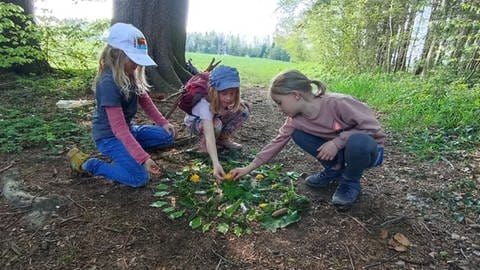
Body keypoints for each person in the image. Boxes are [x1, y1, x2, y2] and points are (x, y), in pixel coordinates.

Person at [231, 70, 385, 207]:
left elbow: (372, 128)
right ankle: (335, 170)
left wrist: (337, 142)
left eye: (279, 103)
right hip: (341, 150)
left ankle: (350, 182)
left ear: (296, 95)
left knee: (358, 142)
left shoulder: (338, 103)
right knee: (298, 134)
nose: (279, 109)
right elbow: (276, 143)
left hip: (367, 149)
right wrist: (248, 168)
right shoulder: (295, 120)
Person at [67, 23, 175, 187]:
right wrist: (143, 158)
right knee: (140, 178)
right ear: (116, 54)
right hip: (109, 137)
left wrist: (163, 122)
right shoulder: (108, 82)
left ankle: (129, 152)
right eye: (133, 59)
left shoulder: (129, 74)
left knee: (167, 135)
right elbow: (118, 129)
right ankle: (89, 164)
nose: (137, 65)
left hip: (129, 131)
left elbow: (145, 100)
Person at [183, 65, 249, 180]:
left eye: (232, 93)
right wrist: (216, 163)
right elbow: (209, 135)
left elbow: (233, 104)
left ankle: (222, 139)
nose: (229, 98)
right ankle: (204, 146)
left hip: (215, 117)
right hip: (197, 124)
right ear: (214, 91)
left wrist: (238, 103)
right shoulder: (205, 105)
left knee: (243, 110)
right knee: (216, 125)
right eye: (224, 93)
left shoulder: (224, 100)